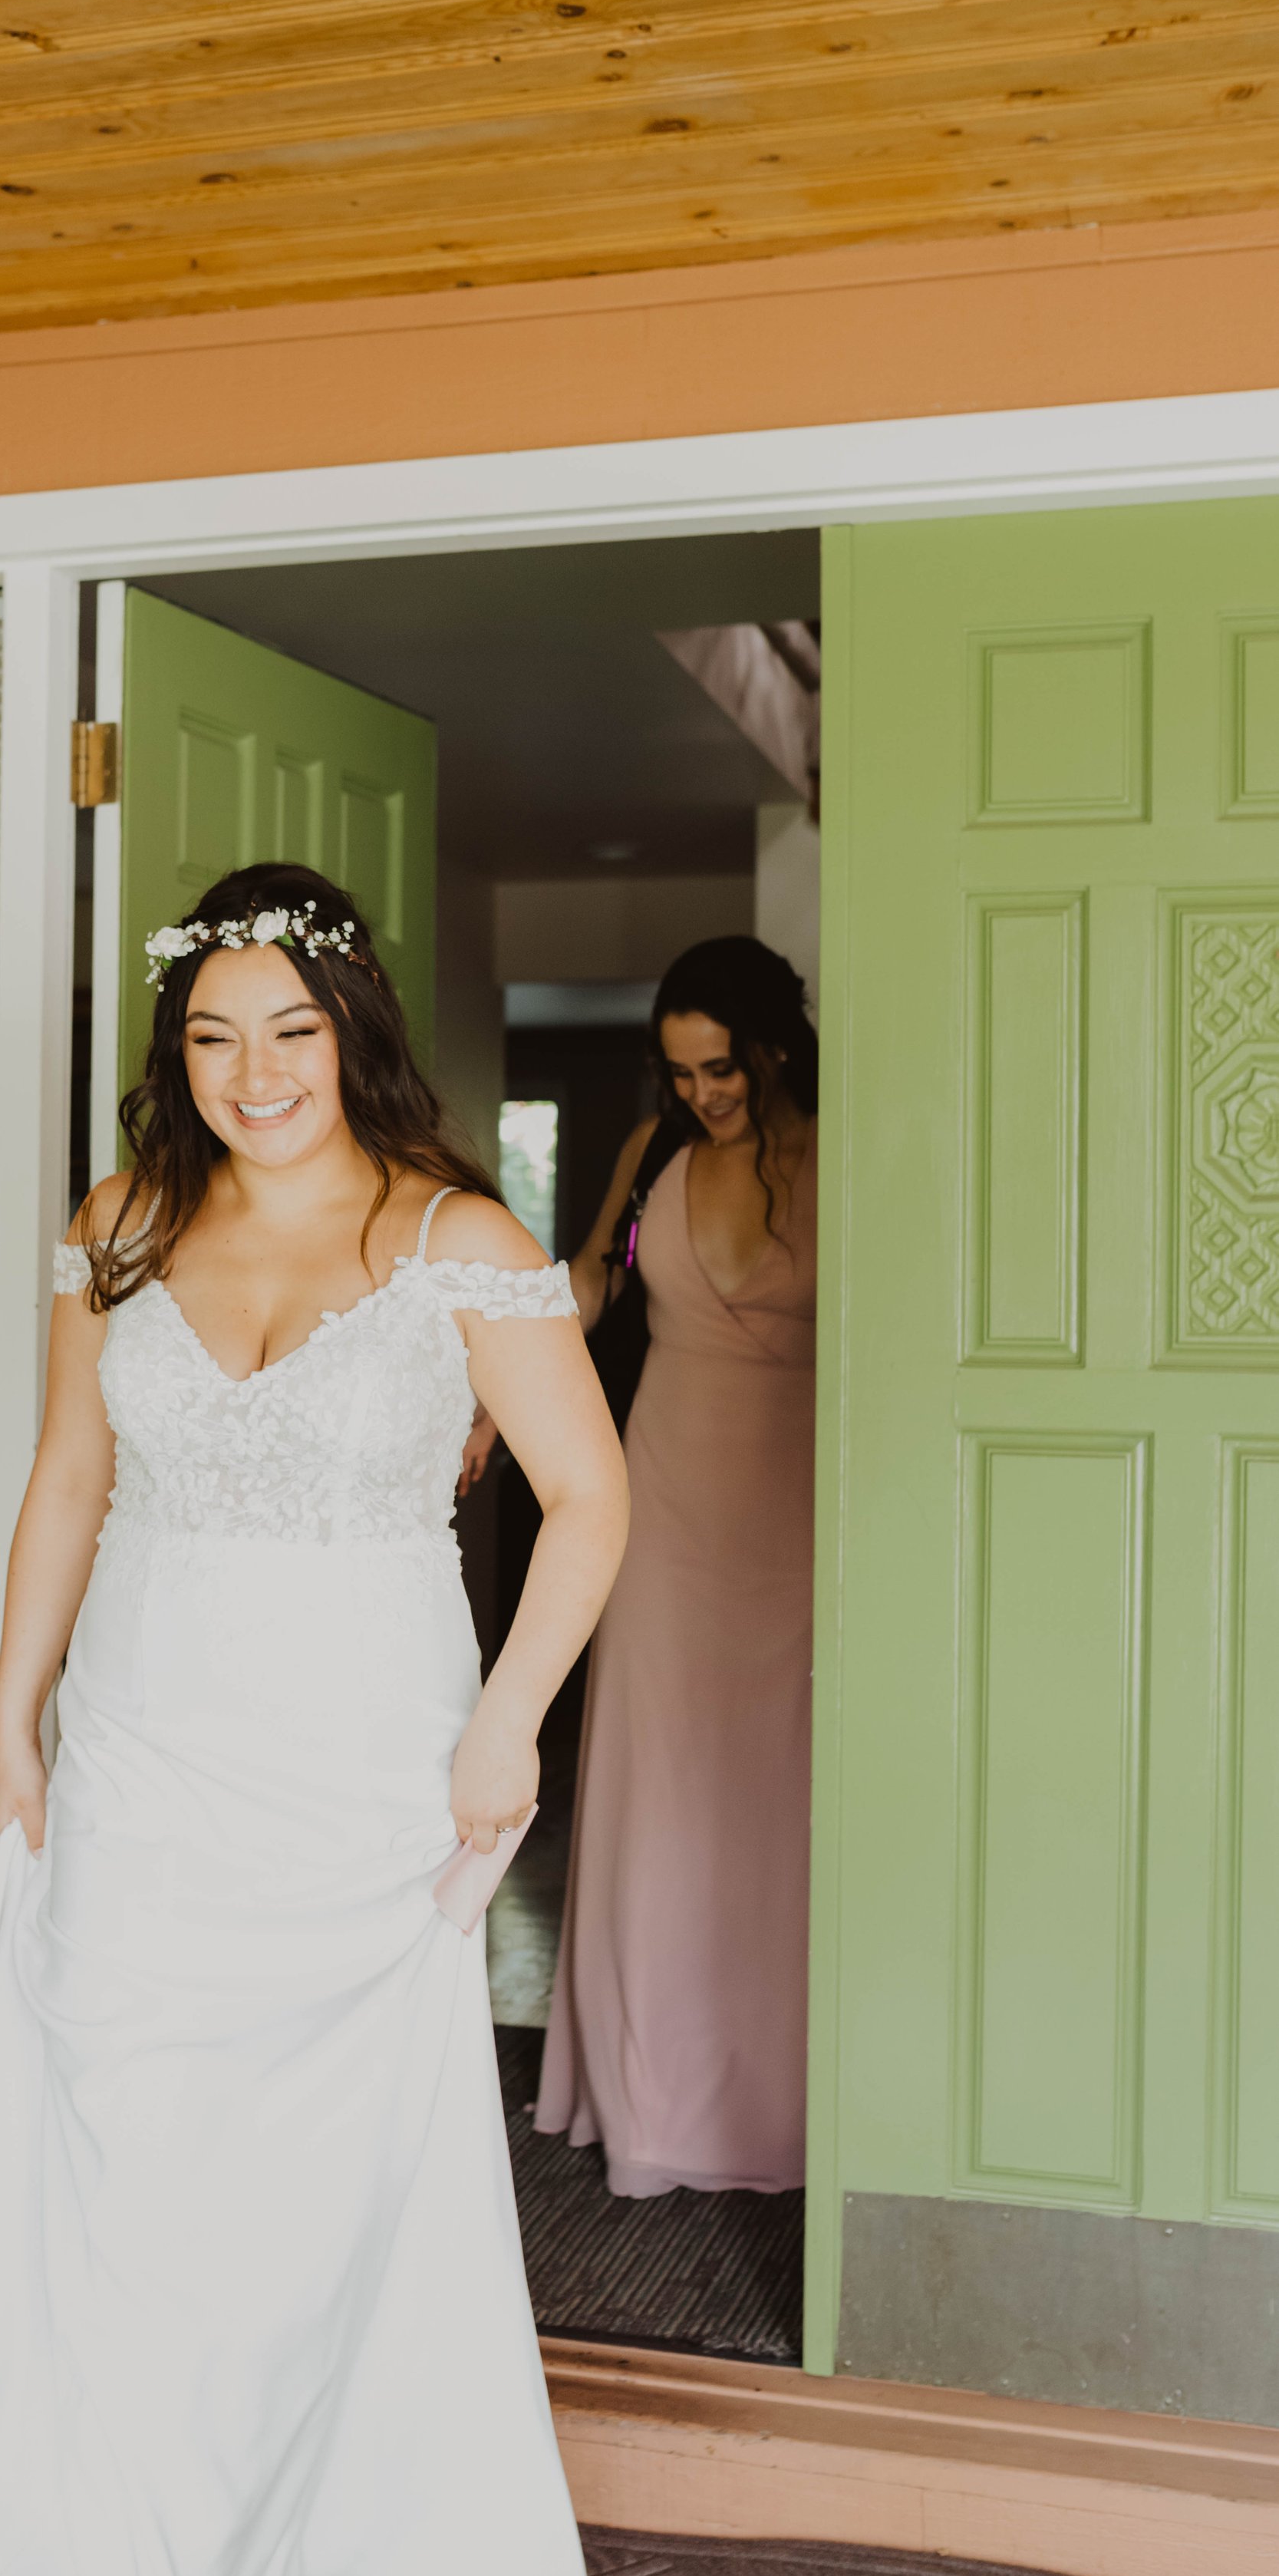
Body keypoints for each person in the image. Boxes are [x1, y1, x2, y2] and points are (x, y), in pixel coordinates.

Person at [0, 863, 629, 2576]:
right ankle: (133, 2531)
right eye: (210, 1036)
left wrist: (507, 1723)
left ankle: (335, 2521)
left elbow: (589, 1500)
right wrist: (8, 1712)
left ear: (350, 1036)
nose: (252, 1072)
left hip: (364, 1765)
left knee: (334, 2174)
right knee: (128, 2135)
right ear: (174, 1054)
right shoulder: (116, 1222)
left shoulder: (460, 1243)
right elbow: (70, 1483)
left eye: (288, 1031)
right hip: (143, 1747)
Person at [532, 937, 818, 2197]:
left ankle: (788, 2108)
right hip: (665, 1506)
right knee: (661, 1792)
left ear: (774, 1047)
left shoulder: (851, 1154)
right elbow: (599, 1279)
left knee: (780, 1804)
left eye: (722, 1066)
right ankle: (650, 2100)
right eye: (681, 1069)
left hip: (805, 1510)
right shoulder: (655, 1159)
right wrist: (506, 1362)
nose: (703, 1092)